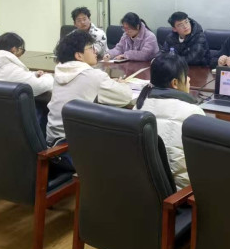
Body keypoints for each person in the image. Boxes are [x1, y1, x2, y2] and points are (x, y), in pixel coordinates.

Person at [46, 30, 132, 149]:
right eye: (91, 48)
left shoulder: (59, 72)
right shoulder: (94, 76)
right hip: (73, 148)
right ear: (79, 56)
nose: (95, 51)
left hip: (52, 144)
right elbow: (125, 97)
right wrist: (122, 84)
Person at [134, 53, 205, 189]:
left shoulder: (138, 105)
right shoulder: (192, 113)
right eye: (186, 75)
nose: (189, 79)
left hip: (144, 188)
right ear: (175, 83)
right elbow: (204, 160)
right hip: (182, 192)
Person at [0, 32, 53, 96]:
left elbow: (10, 77)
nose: (21, 54)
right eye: (21, 50)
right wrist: (48, 76)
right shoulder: (9, 67)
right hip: (10, 111)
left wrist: (33, 74)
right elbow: (39, 86)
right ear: (14, 49)